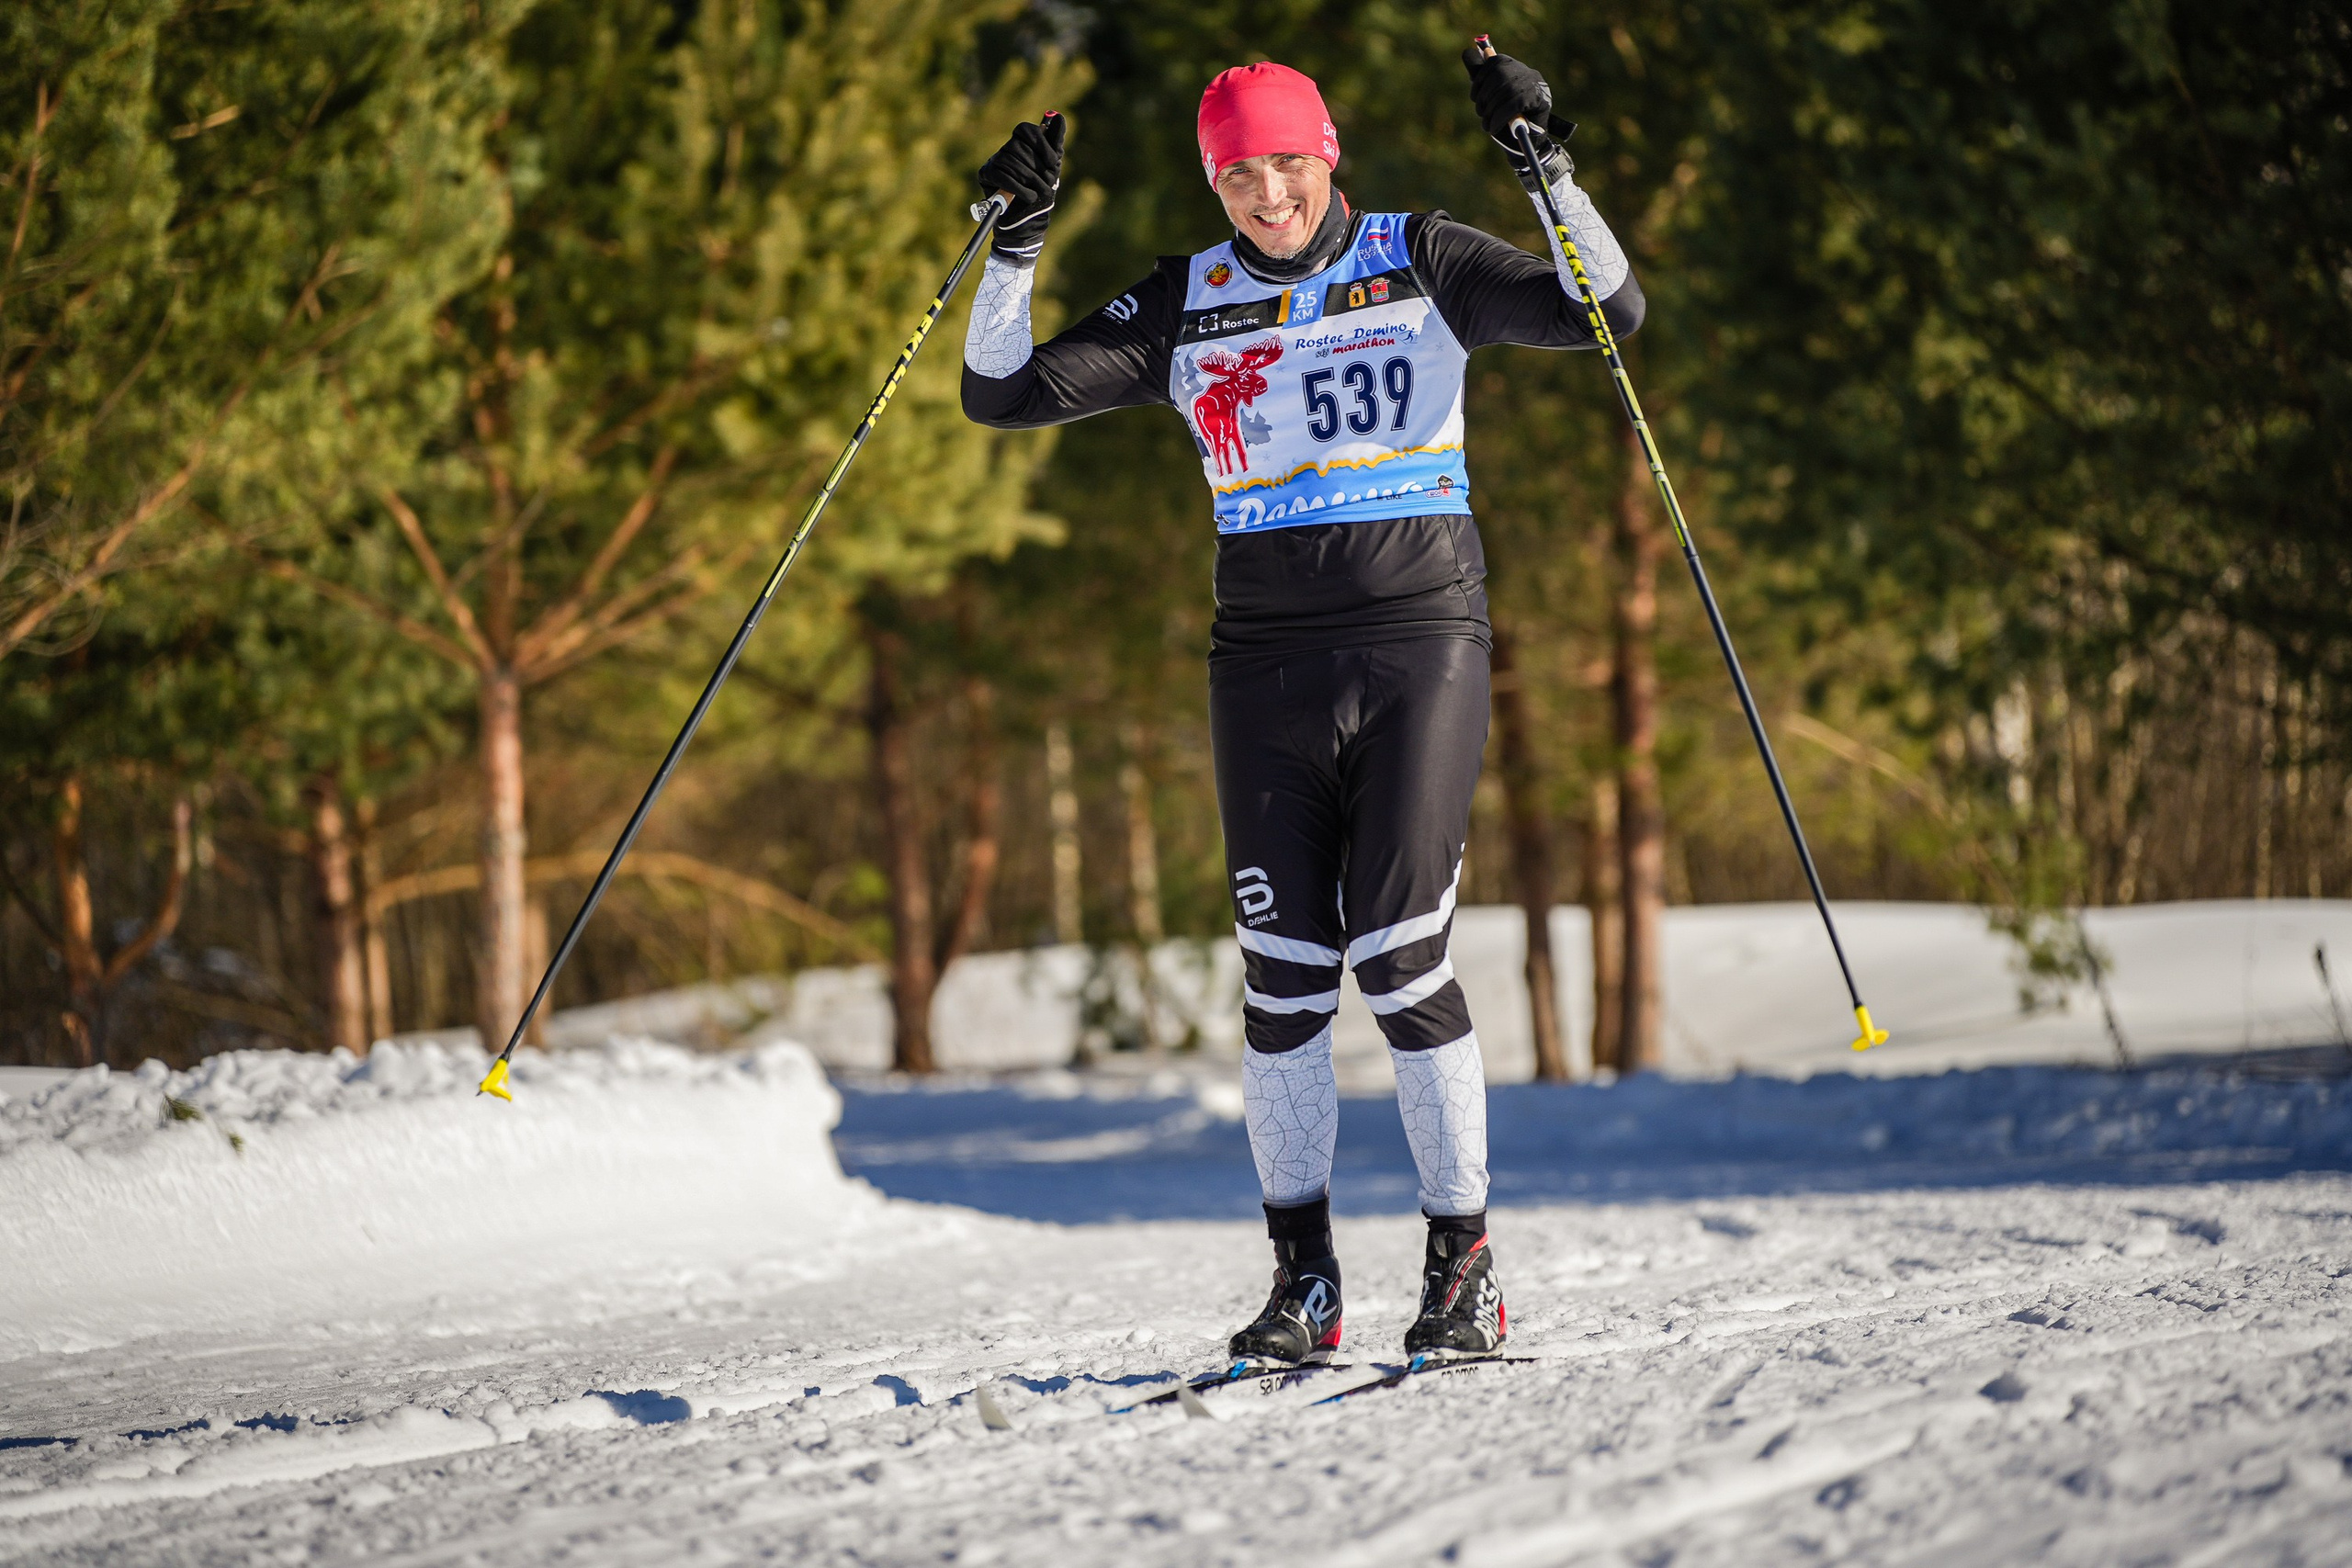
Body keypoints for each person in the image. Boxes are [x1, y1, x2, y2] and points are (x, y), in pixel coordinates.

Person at [960, 48, 1643, 1363]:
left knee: (1397, 953)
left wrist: (1542, 167)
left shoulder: (1420, 254)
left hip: (1417, 642)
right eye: (1236, 171)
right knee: (1281, 985)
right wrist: (1015, 244)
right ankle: (1305, 1284)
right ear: (1214, 182)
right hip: (1263, 663)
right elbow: (1003, 392)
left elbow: (1607, 312)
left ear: (1327, 153)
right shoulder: (1187, 301)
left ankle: (1463, 1271)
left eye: (1286, 161)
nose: (1266, 191)